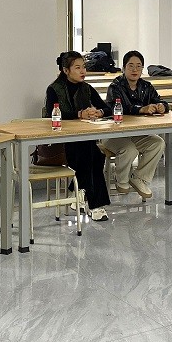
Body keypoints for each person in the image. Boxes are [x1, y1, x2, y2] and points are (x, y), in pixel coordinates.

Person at [43, 51, 112, 221]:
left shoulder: (86, 88)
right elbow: (52, 115)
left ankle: (79, 190)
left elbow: (107, 108)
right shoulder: (54, 89)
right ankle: (95, 205)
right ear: (66, 70)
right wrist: (79, 114)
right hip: (61, 142)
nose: (83, 71)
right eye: (78, 67)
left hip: (84, 138)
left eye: (84, 67)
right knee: (94, 155)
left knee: (92, 152)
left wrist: (99, 112)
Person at [101, 50, 167, 199]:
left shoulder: (146, 86)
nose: (135, 70)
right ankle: (121, 180)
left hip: (136, 133)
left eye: (138, 66)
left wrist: (162, 106)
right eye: (131, 66)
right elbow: (119, 108)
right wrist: (141, 109)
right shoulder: (115, 86)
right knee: (129, 149)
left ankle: (139, 178)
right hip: (113, 134)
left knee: (157, 143)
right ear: (124, 68)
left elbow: (160, 100)